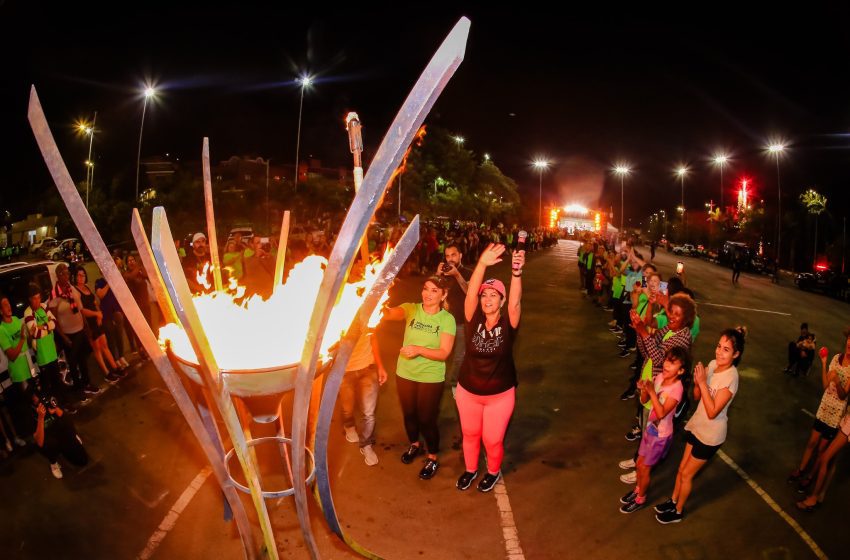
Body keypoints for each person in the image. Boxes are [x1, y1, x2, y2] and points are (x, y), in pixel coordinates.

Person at [655, 327, 746, 524]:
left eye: (726, 349)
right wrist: (697, 383)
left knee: (687, 475)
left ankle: (678, 512)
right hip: (698, 426)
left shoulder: (731, 377)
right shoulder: (713, 364)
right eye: (719, 346)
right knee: (681, 468)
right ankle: (673, 500)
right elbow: (697, 398)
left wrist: (703, 382)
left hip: (711, 435)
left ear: (736, 354)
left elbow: (713, 412)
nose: (719, 352)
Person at [455, 243, 523, 493]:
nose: (487, 298)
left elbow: (516, 303)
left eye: (493, 294)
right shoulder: (473, 320)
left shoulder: (508, 324)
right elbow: (470, 293)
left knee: (492, 440)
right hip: (468, 392)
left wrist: (516, 272)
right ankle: (471, 469)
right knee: (470, 434)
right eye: (485, 294)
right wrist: (482, 264)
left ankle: (493, 472)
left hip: (499, 395)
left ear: (501, 300)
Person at [381, 276, 456, 480]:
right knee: (409, 414)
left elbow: (444, 353)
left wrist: (418, 350)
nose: (428, 294)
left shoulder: (446, 319)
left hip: (430, 376)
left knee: (426, 419)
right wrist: (379, 302)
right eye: (426, 289)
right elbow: (388, 314)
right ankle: (414, 444)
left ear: (443, 295)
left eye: (434, 291)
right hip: (405, 372)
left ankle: (432, 457)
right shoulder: (412, 309)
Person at [620, 347, 687, 513]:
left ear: (681, 370)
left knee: (645, 468)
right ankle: (638, 489)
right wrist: (643, 389)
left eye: (672, 363)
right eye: (666, 360)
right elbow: (645, 401)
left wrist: (652, 392)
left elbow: (662, 412)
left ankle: (640, 498)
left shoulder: (677, 389)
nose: (666, 364)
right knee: (640, 463)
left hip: (661, 436)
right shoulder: (659, 378)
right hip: (650, 429)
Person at [788, 330, 850, 493]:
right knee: (812, 442)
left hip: (835, 415)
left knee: (822, 450)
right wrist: (823, 363)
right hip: (824, 408)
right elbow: (824, 385)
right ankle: (801, 470)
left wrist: (837, 381)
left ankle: (810, 477)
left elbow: (844, 395)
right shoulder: (837, 358)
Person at [49, 263, 99, 398]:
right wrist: (64, 337)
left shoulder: (71, 289)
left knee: (83, 358)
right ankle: (78, 388)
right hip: (68, 334)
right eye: (64, 274)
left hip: (80, 329)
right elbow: (54, 320)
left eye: (68, 273)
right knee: (73, 361)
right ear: (58, 276)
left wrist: (86, 326)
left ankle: (87, 383)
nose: (67, 276)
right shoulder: (55, 295)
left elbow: (80, 309)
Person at [339, 328, 388, 466]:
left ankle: (366, 444)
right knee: (347, 408)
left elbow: (373, 338)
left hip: (368, 368)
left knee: (369, 413)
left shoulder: (366, 313)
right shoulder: (336, 314)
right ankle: (349, 425)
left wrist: (380, 366)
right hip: (344, 371)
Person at [74, 268, 123, 383]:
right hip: (88, 323)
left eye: (83, 275)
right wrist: (96, 313)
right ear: (75, 277)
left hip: (97, 320)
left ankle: (115, 367)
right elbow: (82, 310)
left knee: (104, 345)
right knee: (97, 349)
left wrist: (99, 314)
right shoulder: (75, 291)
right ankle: (106, 372)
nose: (81, 277)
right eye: (79, 275)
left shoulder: (86, 288)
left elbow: (94, 302)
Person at [29, 387, 88, 479]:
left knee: (82, 460)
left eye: (37, 396)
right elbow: (39, 442)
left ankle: (73, 438)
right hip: (49, 440)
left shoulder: (46, 400)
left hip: (60, 435)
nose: (36, 399)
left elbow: (66, 419)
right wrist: (41, 417)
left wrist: (55, 409)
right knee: (50, 444)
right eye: (33, 397)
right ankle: (53, 462)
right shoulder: (30, 414)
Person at [438, 243, 471, 396]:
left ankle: (454, 383)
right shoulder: (443, 275)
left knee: (459, 357)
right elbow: (430, 294)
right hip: (441, 324)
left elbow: (471, 293)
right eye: (447, 256)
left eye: (453, 255)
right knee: (437, 355)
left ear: (460, 256)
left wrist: (457, 275)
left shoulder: (468, 273)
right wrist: (438, 275)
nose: (450, 259)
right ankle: (434, 381)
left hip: (460, 322)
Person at [23, 284, 66, 402]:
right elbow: (35, 334)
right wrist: (47, 327)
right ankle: (53, 410)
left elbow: (54, 323)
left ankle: (63, 405)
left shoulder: (44, 306)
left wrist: (42, 327)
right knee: (48, 386)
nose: (37, 301)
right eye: (34, 298)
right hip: (42, 356)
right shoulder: (27, 313)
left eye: (38, 297)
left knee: (58, 380)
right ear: (30, 299)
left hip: (51, 351)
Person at [95, 258, 131, 368]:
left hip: (117, 311)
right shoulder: (99, 282)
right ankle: (115, 359)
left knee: (119, 335)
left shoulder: (115, 279)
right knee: (111, 337)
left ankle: (121, 356)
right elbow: (100, 295)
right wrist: (109, 283)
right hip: (106, 313)